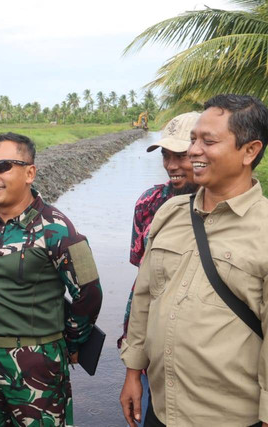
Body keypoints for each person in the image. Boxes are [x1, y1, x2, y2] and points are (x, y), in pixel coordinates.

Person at [120, 94, 268, 427]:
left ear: (250, 150)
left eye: (208, 141)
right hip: (161, 409)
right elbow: (145, 297)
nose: (193, 151)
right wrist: (132, 371)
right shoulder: (168, 213)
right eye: (193, 140)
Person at [0, 132, 102, 426]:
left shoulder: (57, 229)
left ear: (30, 173)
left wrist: (70, 341)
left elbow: (89, 293)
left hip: (38, 362)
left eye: (3, 166)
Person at [118, 112, 200, 424]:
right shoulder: (150, 203)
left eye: (182, 156)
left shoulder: (230, 208)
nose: (172, 165)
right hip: (160, 344)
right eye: (167, 155)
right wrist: (133, 367)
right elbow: (143, 286)